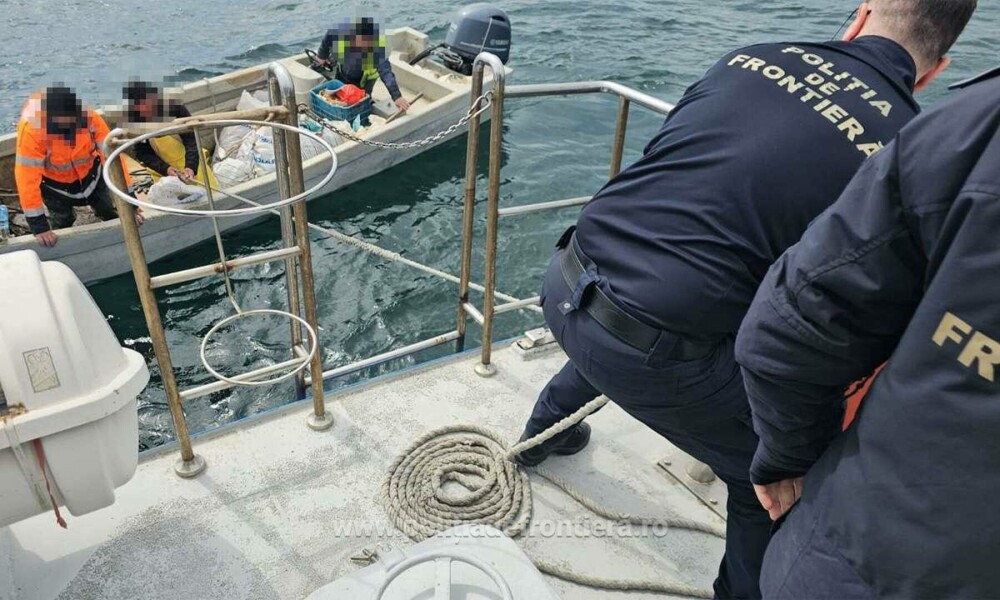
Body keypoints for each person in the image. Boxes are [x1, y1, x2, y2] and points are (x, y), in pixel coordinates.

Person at [511, 2, 977, 598]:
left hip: (566, 279)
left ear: (860, 17)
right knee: (770, 476)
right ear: (937, 70)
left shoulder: (750, 57)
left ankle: (543, 433)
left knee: (642, 304)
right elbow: (843, 297)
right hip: (656, 349)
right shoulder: (909, 147)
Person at [735, 65, 1000, 599]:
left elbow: (789, 329)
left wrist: (789, 458)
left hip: (862, 561)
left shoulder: (972, 130)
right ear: (936, 67)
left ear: (857, 23)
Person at [14, 86, 143, 248]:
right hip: (55, 186)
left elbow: (113, 159)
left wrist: (131, 203)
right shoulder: (32, 131)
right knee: (62, 220)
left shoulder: (90, 117)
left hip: (92, 175)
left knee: (108, 209)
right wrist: (39, 226)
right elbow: (26, 179)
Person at [316, 17, 410, 111]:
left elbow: (386, 73)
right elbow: (329, 36)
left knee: (360, 99)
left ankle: (364, 104)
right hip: (344, 70)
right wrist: (321, 56)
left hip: (364, 78)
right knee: (340, 90)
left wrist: (397, 96)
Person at [122, 80, 200, 182]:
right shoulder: (135, 123)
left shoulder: (174, 107)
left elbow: (191, 138)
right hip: (162, 170)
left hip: (191, 161)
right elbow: (143, 153)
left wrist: (191, 165)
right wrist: (165, 169)